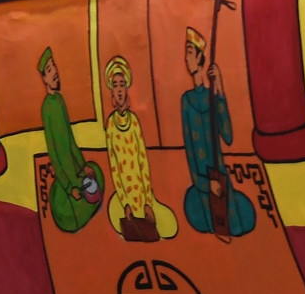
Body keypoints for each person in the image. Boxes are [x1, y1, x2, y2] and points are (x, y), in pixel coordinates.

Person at [181, 28, 256, 240]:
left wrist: (220, 90)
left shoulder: (212, 97)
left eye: (189, 53)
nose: (186, 59)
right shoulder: (186, 101)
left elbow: (228, 135)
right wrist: (205, 184)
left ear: (199, 58)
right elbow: (190, 152)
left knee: (241, 222)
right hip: (201, 182)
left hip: (219, 175)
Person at [100, 57, 177, 242]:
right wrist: (125, 202)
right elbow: (114, 167)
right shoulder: (110, 124)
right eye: (116, 85)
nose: (119, 90)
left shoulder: (134, 121)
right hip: (123, 193)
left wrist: (148, 202)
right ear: (111, 89)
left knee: (169, 227)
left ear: (127, 89)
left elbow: (143, 161)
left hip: (142, 192)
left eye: (122, 85)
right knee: (119, 219)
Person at [38, 48, 102, 232]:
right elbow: (54, 153)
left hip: (75, 169)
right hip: (64, 174)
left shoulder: (60, 101)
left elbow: (71, 141)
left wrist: (83, 166)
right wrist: (68, 187)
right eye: (49, 70)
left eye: (54, 67)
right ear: (44, 78)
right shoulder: (47, 108)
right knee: (68, 210)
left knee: (95, 174)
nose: (55, 72)